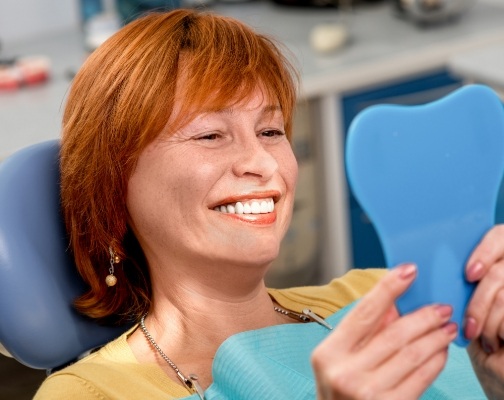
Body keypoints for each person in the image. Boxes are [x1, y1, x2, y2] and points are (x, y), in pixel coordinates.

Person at [33, 9, 504, 400]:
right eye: (210, 135)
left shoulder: (382, 297)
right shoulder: (87, 393)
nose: (262, 163)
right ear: (115, 189)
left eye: (270, 131)